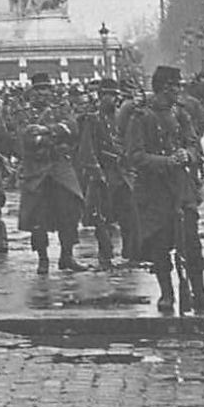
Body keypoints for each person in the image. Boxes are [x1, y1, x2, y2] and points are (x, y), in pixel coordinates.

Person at [125, 66, 204, 314]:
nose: (180, 90)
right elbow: (134, 156)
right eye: (176, 86)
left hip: (181, 188)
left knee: (191, 241)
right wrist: (165, 162)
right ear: (164, 88)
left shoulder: (181, 114)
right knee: (159, 243)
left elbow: (194, 145)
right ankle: (167, 294)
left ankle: (199, 293)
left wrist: (186, 155)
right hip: (153, 191)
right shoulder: (141, 117)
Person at [14, 75, 87, 273]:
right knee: (37, 218)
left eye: (46, 89)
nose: (42, 94)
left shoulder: (61, 110)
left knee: (69, 211)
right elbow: (26, 138)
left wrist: (46, 131)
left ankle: (67, 256)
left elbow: (72, 129)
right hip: (36, 171)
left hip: (59, 168)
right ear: (32, 92)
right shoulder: (24, 113)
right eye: (38, 90)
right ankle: (43, 259)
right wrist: (55, 135)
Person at [77, 79, 138, 269]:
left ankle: (132, 254)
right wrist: (96, 172)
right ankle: (105, 256)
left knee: (129, 214)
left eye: (114, 95)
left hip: (121, 173)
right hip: (103, 175)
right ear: (101, 97)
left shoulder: (120, 118)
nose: (113, 99)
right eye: (109, 95)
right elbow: (86, 149)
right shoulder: (93, 119)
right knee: (101, 218)